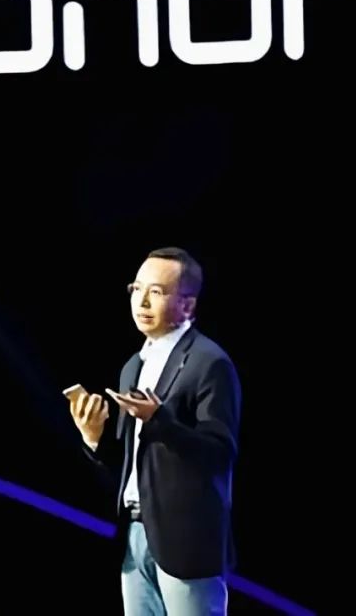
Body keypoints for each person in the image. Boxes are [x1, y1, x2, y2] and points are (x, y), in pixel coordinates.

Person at [70, 247, 241, 615]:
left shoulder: (209, 363)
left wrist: (160, 421)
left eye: (157, 292)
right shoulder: (133, 366)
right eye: (137, 289)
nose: (142, 301)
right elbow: (132, 463)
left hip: (187, 540)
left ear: (187, 306)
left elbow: (219, 452)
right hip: (134, 534)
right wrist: (94, 436)